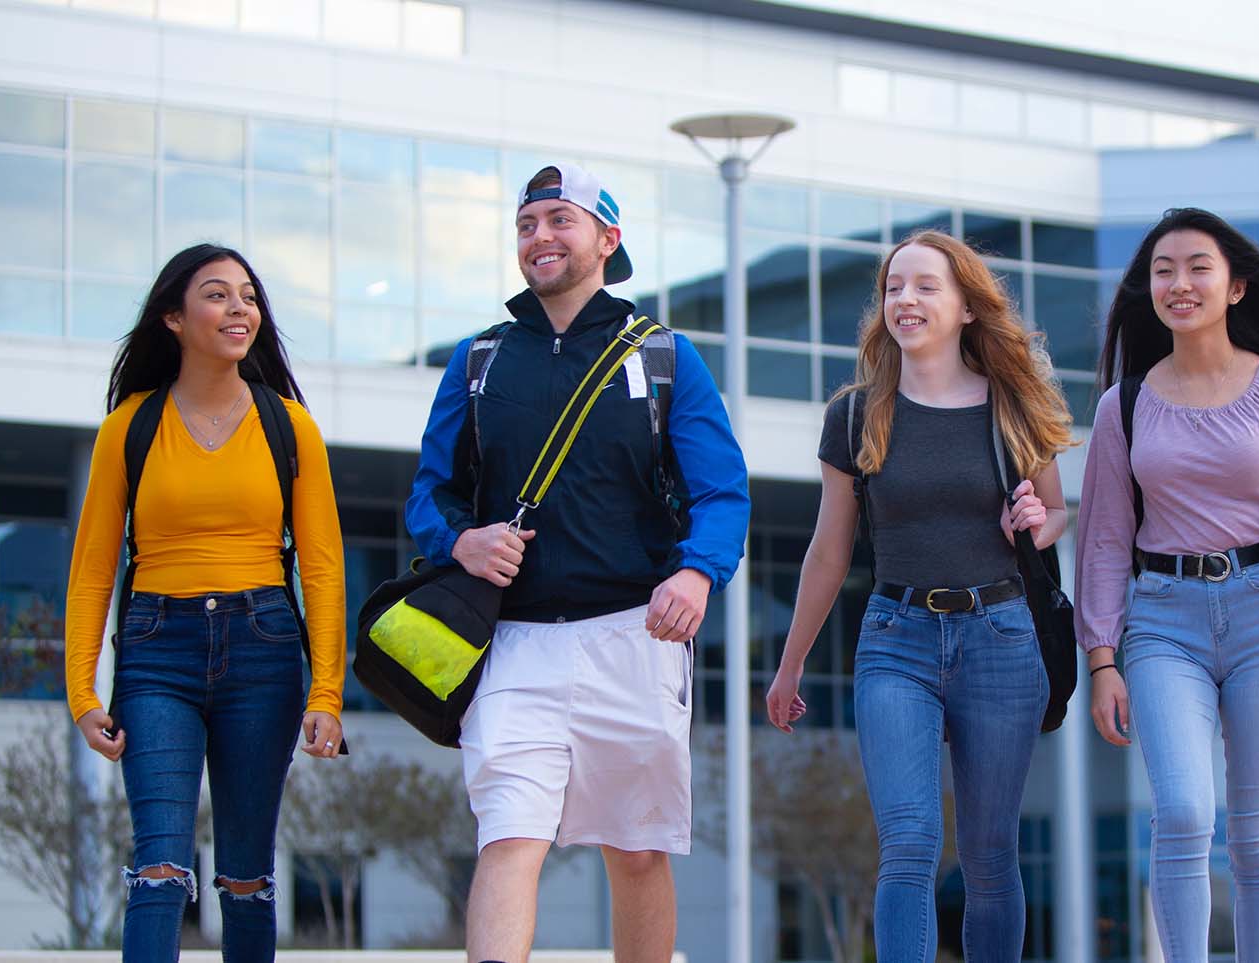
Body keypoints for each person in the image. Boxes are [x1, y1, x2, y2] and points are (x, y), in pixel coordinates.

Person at [404, 163, 750, 963]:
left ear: (608, 239)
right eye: (527, 224)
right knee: (509, 836)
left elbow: (723, 492)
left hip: (635, 638)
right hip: (514, 644)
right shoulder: (477, 359)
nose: (540, 238)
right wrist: (460, 540)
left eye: (560, 220)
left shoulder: (665, 356)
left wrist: (697, 572)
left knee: (635, 851)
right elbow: (430, 493)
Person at [764, 230, 1073, 963]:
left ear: (967, 306)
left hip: (1000, 635)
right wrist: (790, 663)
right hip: (895, 637)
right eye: (894, 286)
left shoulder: (1013, 405)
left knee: (990, 852)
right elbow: (829, 549)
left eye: (925, 285)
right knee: (907, 841)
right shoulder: (854, 414)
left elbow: (1059, 511)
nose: (905, 299)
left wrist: (1039, 518)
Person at [1073, 208, 1259, 963]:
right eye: (1164, 270)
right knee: (1185, 812)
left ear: (1235, 288)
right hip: (1164, 623)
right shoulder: (1121, 407)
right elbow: (1102, 539)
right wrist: (1101, 659)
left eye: (1198, 266)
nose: (1179, 282)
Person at [64, 243, 347, 963]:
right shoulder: (129, 426)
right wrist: (80, 690)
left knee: (246, 876)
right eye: (218, 295)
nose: (240, 309)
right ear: (174, 318)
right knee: (158, 864)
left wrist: (327, 692)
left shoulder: (291, 426)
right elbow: (94, 567)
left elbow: (321, 568)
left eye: (248, 296)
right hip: (159, 648)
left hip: (265, 647)